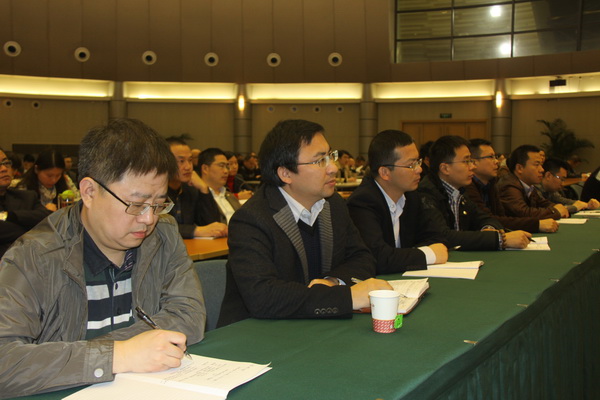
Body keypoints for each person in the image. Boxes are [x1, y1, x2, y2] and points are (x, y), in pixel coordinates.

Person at [0, 118, 205, 398]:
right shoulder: (35, 256)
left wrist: (115, 353)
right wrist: (118, 355)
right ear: (89, 192)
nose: (149, 219)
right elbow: (5, 362)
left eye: (159, 204)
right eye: (136, 204)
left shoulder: (163, 234)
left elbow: (189, 316)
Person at [218, 119, 391, 327]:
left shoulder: (333, 204)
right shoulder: (252, 219)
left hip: (315, 325)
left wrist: (332, 282)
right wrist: (346, 297)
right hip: (255, 332)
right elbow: (262, 296)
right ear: (285, 173)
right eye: (320, 161)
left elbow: (362, 258)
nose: (333, 168)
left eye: (331, 156)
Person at [347, 130, 448, 274]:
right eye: (411, 165)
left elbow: (436, 236)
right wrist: (428, 254)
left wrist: (402, 257)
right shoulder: (362, 203)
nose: (419, 169)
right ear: (385, 172)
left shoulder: (411, 196)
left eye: (418, 162)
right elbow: (377, 257)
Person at [418, 136, 531, 251]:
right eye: (466, 161)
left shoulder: (460, 192)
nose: (472, 166)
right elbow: (442, 236)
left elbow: (485, 218)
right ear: (445, 168)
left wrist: (488, 229)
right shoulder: (426, 193)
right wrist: (500, 239)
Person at [465, 139, 558, 233]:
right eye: (490, 157)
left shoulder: (491, 183)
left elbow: (501, 217)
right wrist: (539, 223)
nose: (496, 161)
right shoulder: (468, 187)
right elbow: (489, 220)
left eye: (495, 157)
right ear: (473, 162)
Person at [166, 137, 228, 238]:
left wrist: (204, 189)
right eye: (181, 161)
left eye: (190, 160)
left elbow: (213, 225)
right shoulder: (154, 192)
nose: (188, 167)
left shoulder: (190, 189)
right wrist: (195, 231)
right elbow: (158, 227)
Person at [0, 148, 51, 257]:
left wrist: (10, 216)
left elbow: (47, 219)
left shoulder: (27, 196)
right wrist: (32, 228)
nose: (4, 168)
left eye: (6, 163)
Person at [498, 145, 569, 220]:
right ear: (519, 168)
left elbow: (542, 203)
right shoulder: (509, 186)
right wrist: (554, 211)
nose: (542, 170)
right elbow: (523, 213)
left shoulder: (529, 186)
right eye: (537, 165)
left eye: (541, 165)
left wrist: (556, 206)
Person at [197, 148, 242, 225]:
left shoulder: (230, 196)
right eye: (221, 166)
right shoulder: (197, 197)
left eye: (227, 166)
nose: (226, 171)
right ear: (205, 168)